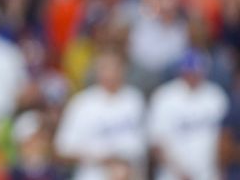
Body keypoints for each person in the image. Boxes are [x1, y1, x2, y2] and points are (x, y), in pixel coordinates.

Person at [54, 49, 146, 180]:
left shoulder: (134, 99)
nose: (111, 73)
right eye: (105, 68)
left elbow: (142, 145)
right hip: (94, 174)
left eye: (115, 68)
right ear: (97, 71)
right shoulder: (83, 103)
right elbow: (62, 150)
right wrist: (101, 158)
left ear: (123, 70)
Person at [148, 50, 228, 180]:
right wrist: (178, 172)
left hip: (209, 173)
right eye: (189, 72)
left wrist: (221, 169)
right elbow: (156, 143)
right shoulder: (165, 97)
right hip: (172, 174)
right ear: (181, 72)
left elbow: (224, 138)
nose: (192, 76)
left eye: (196, 72)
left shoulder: (216, 95)